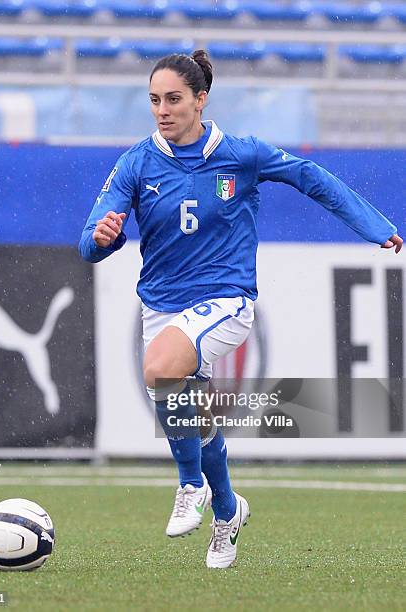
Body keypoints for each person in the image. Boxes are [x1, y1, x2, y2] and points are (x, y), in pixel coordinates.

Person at [79, 50, 402, 569]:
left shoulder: (242, 154)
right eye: (155, 100)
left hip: (226, 301)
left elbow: (311, 177)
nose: (163, 109)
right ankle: (228, 511)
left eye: (174, 99)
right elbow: (91, 240)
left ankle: (189, 486)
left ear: (201, 99)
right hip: (162, 305)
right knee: (194, 411)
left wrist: (374, 225)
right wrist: (102, 237)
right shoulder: (137, 162)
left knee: (161, 369)